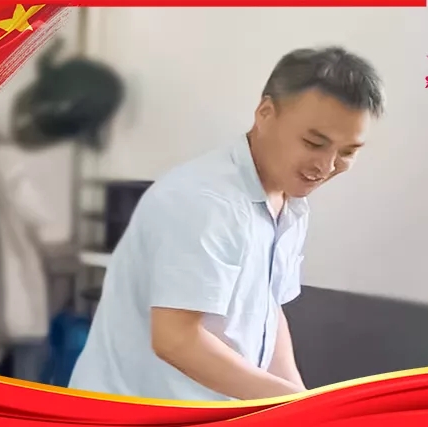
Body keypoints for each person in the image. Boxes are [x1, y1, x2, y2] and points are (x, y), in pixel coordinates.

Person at [68, 46, 385, 401]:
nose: (326, 166)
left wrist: (300, 400)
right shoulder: (205, 201)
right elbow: (176, 339)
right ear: (265, 114)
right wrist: (292, 404)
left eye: (347, 152)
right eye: (313, 143)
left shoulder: (289, 203)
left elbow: (269, 311)